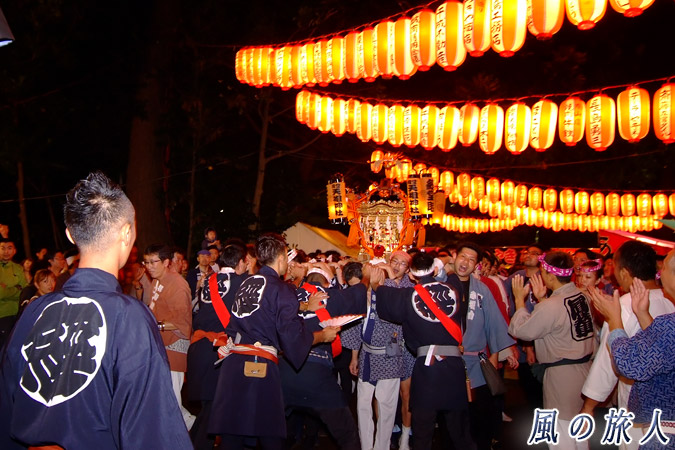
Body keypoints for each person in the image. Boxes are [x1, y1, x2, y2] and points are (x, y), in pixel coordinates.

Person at [0, 171, 192, 449]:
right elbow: (151, 431)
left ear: (70, 235)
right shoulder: (131, 318)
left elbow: (7, 404)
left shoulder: (33, 312)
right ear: (127, 233)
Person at [208, 233, 340, 450]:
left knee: (232, 434)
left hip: (233, 364)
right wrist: (322, 336)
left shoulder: (246, 282)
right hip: (258, 368)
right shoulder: (282, 288)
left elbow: (262, 311)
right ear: (281, 258)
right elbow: (292, 337)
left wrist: (304, 306)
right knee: (269, 434)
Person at [375, 252, 477, 450]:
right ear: (434, 270)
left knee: (423, 432)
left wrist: (379, 282)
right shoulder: (453, 289)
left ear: (411, 275)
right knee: (460, 431)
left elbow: (383, 297)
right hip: (454, 366)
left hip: (426, 367)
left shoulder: (407, 296)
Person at [581, 241, 674, 449]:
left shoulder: (623, 304)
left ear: (624, 272)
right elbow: (658, 346)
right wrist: (642, 314)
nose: (662, 271)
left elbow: (615, 362)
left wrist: (589, 405)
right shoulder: (667, 302)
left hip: (642, 407)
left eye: (666, 267)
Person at [510, 251, 595, 450]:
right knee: (580, 433)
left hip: (562, 376)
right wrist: (542, 300)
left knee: (562, 433)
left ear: (549, 276)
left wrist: (519, 301)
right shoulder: (583, 296)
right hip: (584, 370)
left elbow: (521, 330)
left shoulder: (551, 305)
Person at [445, 242, 517, 450]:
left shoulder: (482, 289)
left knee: (478, 415)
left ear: (476, 265)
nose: (465, 262)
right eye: (462, 257)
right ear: (454, 257)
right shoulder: (440, 285)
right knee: (452, 416)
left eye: (471, 259)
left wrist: (502, 352)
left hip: (475, 362)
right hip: (447, 361)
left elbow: (494, 323)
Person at [188, 243, 249, 450]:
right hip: (220, 350)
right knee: (214, 408)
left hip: (201, 348)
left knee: (209, 407)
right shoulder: (243, 283)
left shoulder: (208, 280)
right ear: (240, 263)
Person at [143, 243, 196, 429]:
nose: (149, 266)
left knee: (170, 399)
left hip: (174, 346)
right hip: (160, 345)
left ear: (166, 262)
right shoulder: (157, 280)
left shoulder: (178, 285)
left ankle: (186, 435)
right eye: (146, 262)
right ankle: (194, 427)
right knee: (165, 398)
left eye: (153, 262)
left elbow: (182, 321)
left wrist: (154, 325)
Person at [0, 238, 28, 346]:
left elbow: (24, 290)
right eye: (3, 248)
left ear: (15, 250)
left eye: (9, 248)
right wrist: (16, 288)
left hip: (17, 313)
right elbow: (1, 293)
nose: (6, 251)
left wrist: (7, 290)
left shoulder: (18, 268)